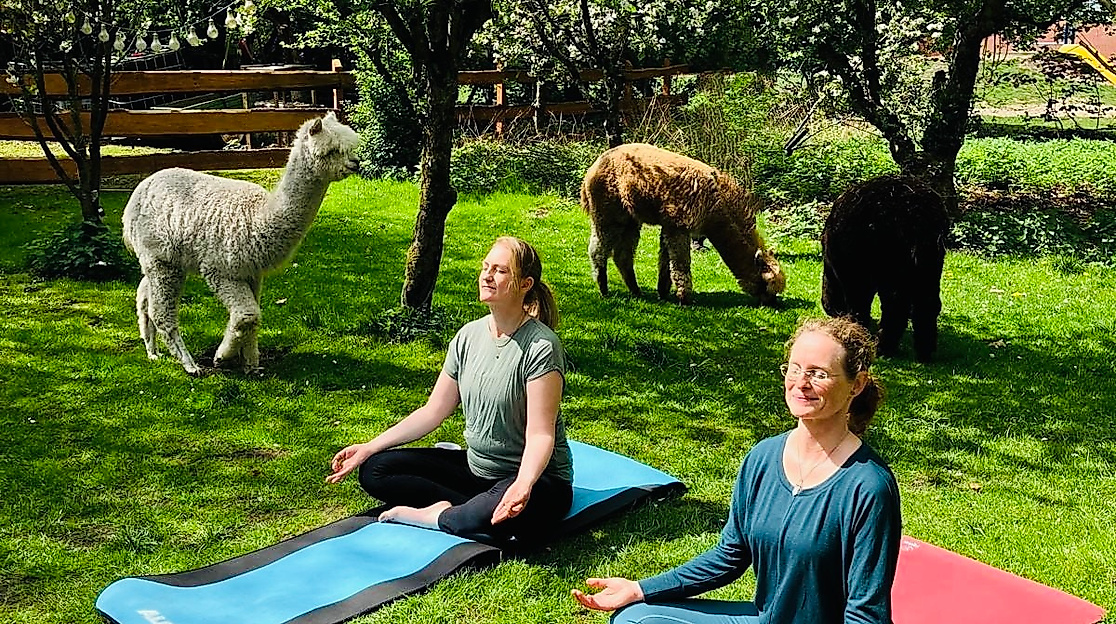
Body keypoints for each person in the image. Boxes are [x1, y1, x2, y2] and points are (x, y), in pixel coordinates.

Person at [573, 317, 902, 624]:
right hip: (762, 617)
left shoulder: (868, 486)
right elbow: (730, 556)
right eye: (795, 368)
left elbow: (866, 613)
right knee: (635, 618)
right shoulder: (763, 458)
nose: (801, 383)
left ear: (855, 385)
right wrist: (640, 589)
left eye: (818, 374)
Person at [326, 236, 572, 541]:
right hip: (476, 470)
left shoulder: (541, 346)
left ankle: (439, 516)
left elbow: (540, 433)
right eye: (485, 267)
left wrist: (522, 484)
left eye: (500, 270)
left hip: (540, 480)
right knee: (376, 470)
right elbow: (433, 410)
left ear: (525, 284)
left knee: (486, 519)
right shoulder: (468, 336)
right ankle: (462, 508)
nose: (487, 275)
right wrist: (370, 446)